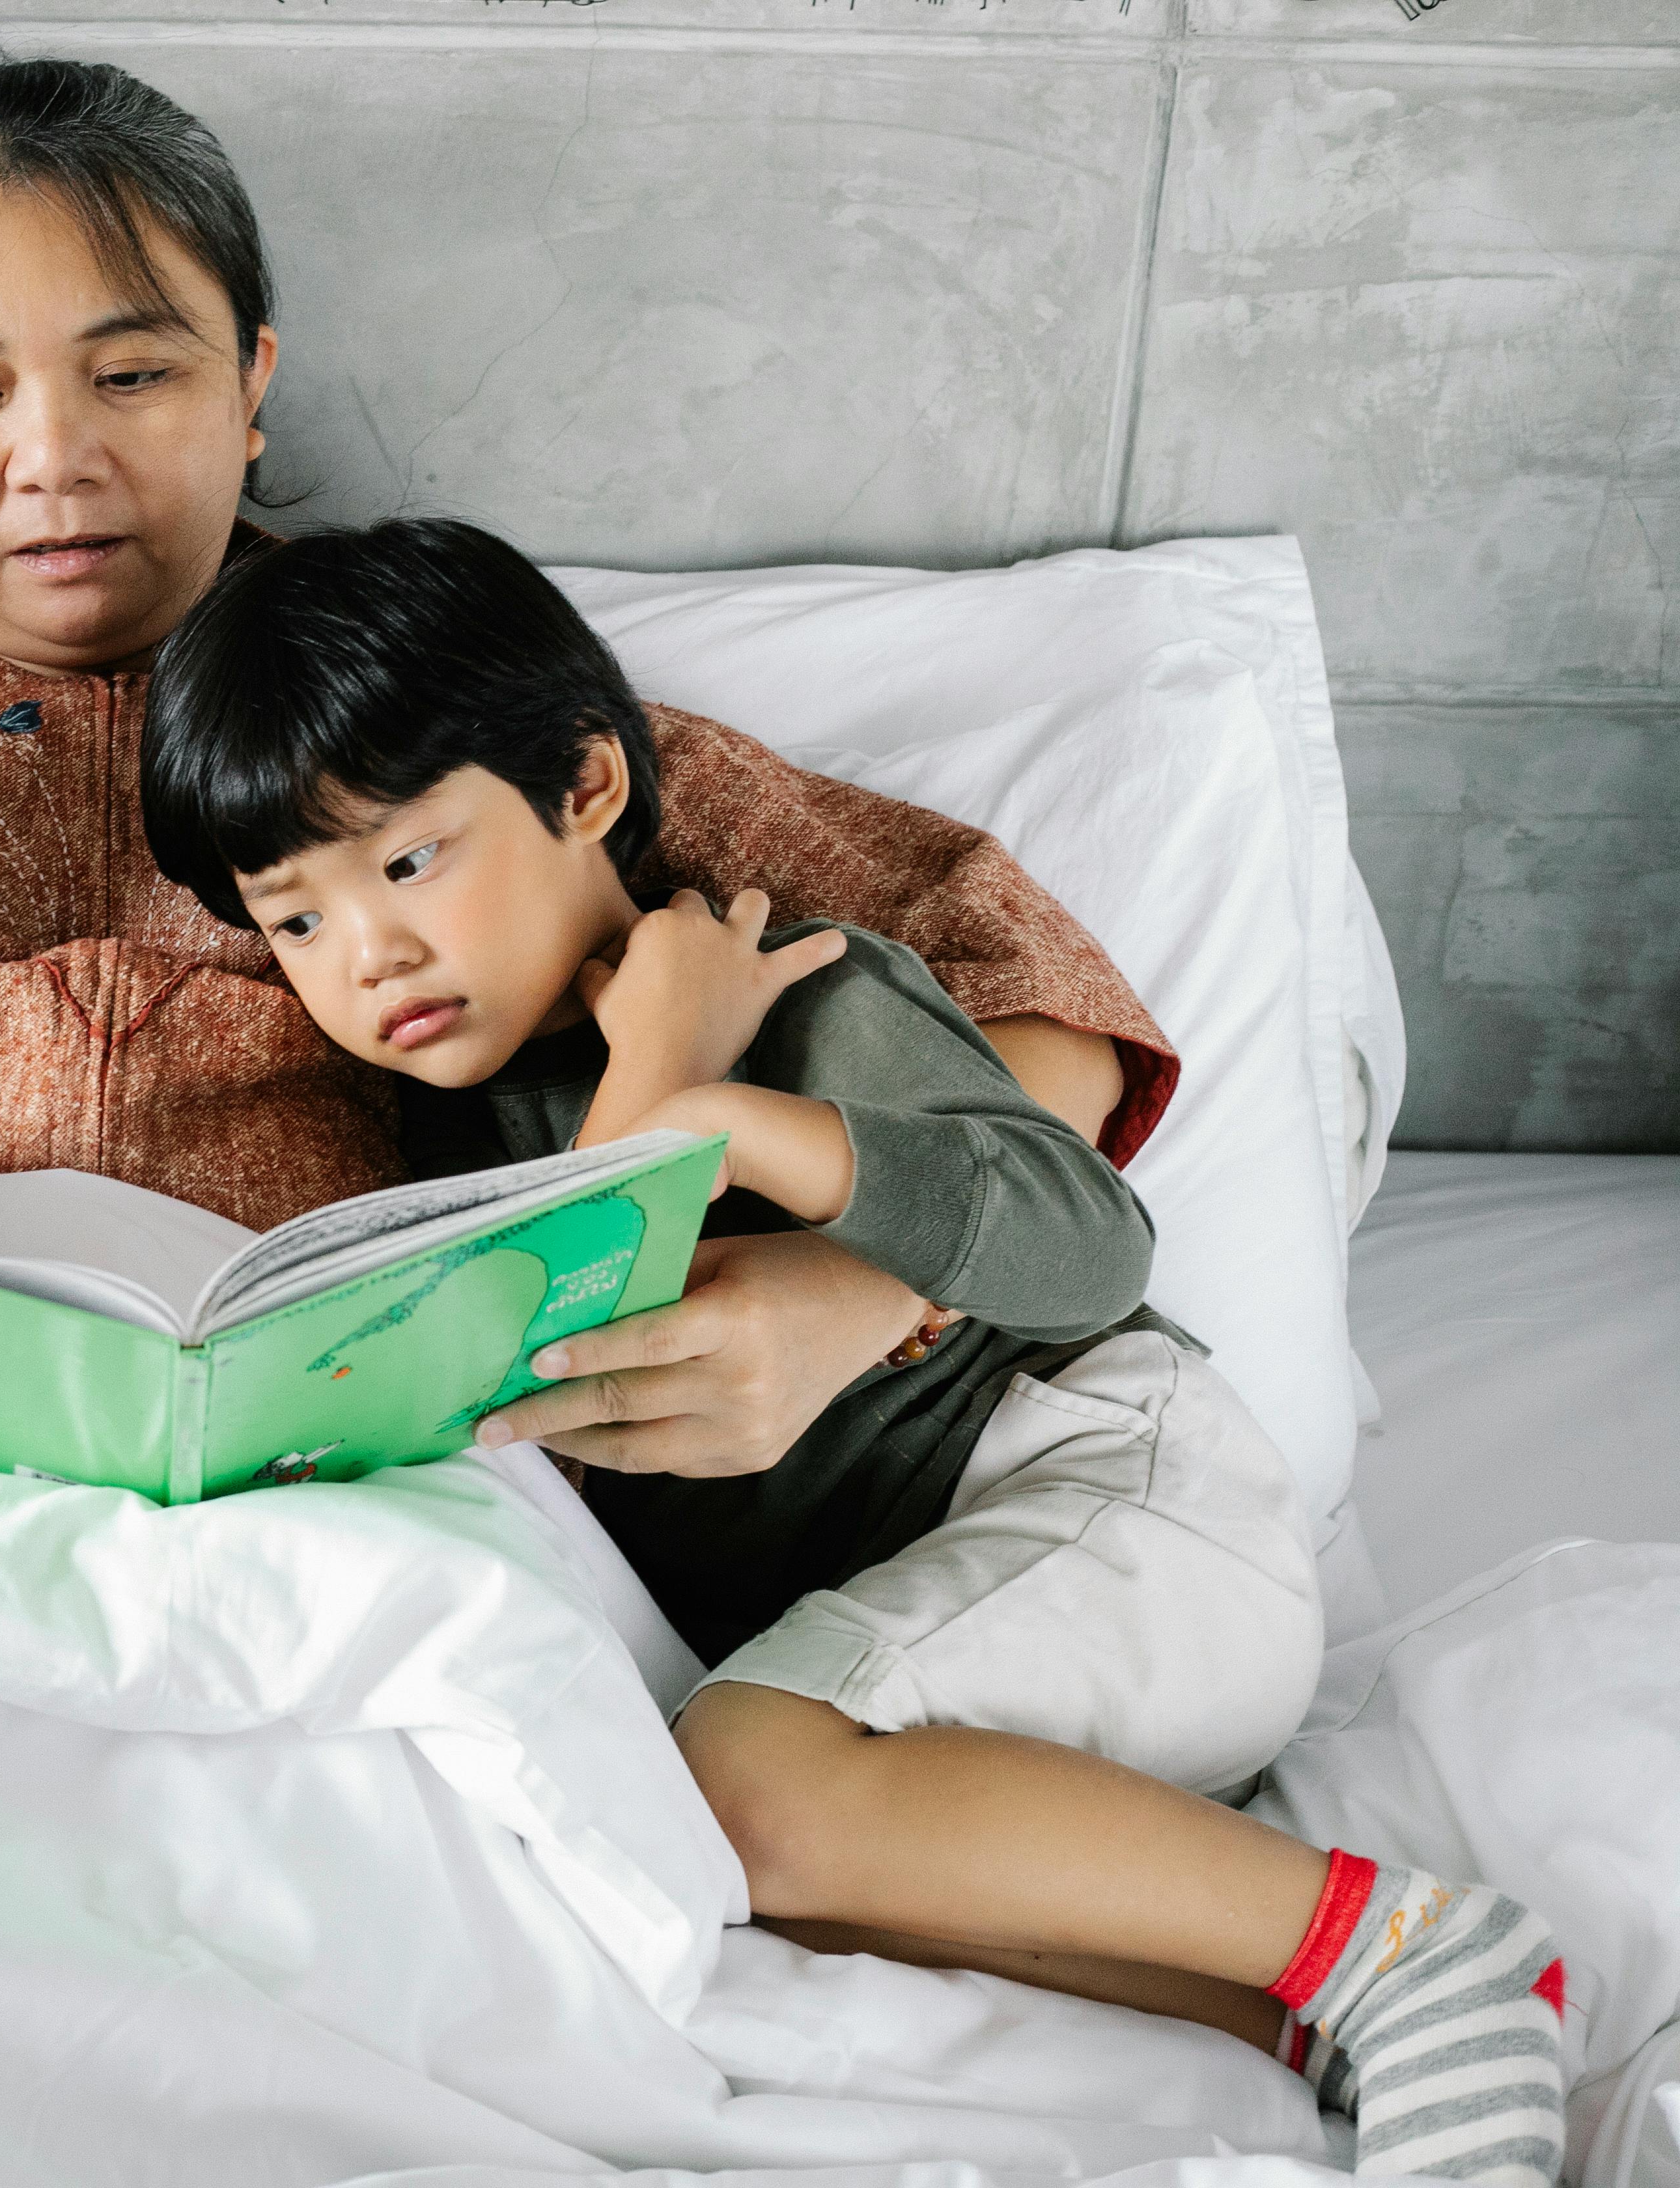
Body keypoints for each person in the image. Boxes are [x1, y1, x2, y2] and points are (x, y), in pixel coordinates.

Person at [0, 59, 1177, 1514]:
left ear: (252, 386)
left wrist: (842, 1305)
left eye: (134, 373)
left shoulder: (404, 678)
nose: (56, 463)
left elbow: (1030, 987)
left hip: (349, 1488)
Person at [139, 514, 1569, 2188]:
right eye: (294, 923)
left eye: (405, 864)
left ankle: (1418, 1953)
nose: (366, 956)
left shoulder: (813, 993)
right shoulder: (440, 1139)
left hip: (1123, 1507)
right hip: (962, 1682)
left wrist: (738, 1112)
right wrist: (649, 1077)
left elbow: (1091, 1238)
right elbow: (556, 1366)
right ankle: (1308, 2018)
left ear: (588, 787)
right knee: (741, 1858)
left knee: (744, 1786)